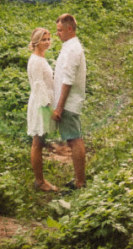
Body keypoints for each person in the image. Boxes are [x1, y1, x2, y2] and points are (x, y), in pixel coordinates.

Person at [51, 12, 87, 188]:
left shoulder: (73, 49)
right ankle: (78, 179)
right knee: (73, 139)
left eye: (59, 30)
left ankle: (80, 182)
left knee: (74, 140)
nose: (57, 33)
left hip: (69, 103)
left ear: (69, 29)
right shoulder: (68, 46)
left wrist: (59, 107)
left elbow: (68, 81)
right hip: (67, 103)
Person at [26, 27, 59, 191]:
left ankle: (40, 179)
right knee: (37, 142)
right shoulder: (36, 61)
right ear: (36, 42)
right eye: (43, 40)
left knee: (40, 140)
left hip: (43, 102)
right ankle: (39, 181)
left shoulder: (40, 58)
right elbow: (39, 87)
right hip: (41, 105)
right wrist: (49, 109)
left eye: (48, 39)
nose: (47, 42)